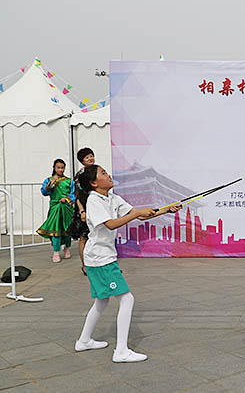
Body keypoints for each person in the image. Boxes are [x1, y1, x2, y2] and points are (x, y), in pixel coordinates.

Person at [74, 164, 181, 363]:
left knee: (102, 301)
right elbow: (111, 224)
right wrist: (134, 214)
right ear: (94, 183)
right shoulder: (94, 200)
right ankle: (121, 351)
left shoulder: (113, 198)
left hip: (102, 256)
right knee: (127, 299)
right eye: (103, 173)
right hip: (100, 258)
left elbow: (140, 214)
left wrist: (167, 209)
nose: (108, 175)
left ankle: (84, 341)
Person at [37, 159, 75, 263]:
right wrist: (50, 185)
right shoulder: (49, 180)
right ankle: (56, 252)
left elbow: (73, 194)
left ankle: (67, 248)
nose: (60, 170)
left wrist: (66, 199)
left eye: (62, 168)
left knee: (67, 229)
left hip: (67, 208)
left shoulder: (69, 181)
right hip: (55, 208)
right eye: (58, 167)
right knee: (55, 230)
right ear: (54, 168)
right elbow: (44, 192)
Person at [70, 147, 96, 276]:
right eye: (87, 157)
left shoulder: (97, 170)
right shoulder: (80, 174)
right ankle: (85, 266)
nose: (90, 158)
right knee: (84, 238)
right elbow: (77, 195)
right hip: (84, 208)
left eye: (91, 155)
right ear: (82, 161)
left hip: (96, 206)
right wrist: (82, 211)